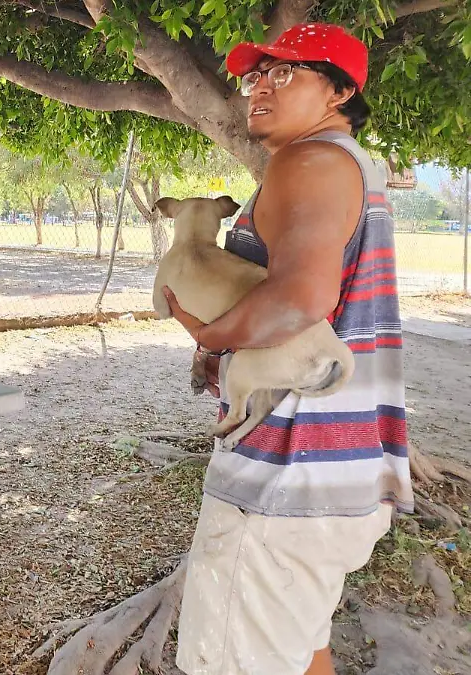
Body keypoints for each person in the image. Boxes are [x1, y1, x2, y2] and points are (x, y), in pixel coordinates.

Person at [162, 24, 413, 675]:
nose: (259, 87)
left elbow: (300, 297)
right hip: (343, 467)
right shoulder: (353, 167)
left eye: (284, 73)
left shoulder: (309, 162)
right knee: (301, 652)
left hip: (285, 475)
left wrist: (215, 337)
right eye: (255, 76)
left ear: (339, 91)